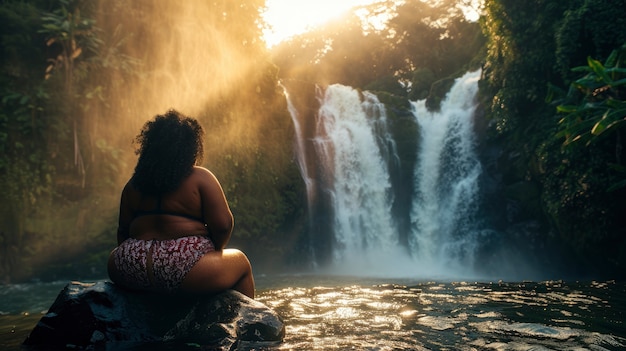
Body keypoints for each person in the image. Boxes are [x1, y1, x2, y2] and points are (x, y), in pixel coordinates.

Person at [107, 109, 255, 298]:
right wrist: (212, 252)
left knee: (115, 255)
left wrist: (136, 259)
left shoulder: (133, 184)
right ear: (189, 148)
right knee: (241, 263)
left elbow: (122, 232)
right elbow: (223, 225)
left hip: (130, 264)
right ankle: (251, 324)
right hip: (183, 267)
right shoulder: (200, 177)